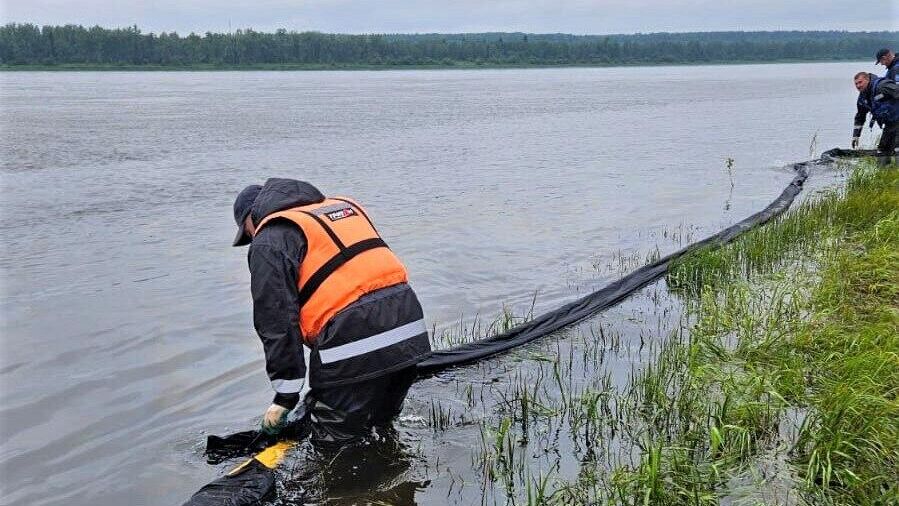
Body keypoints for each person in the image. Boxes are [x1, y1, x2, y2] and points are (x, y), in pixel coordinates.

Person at [232, 178, 432, 448]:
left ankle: (356, 488)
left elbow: (276, 321)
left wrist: (285, 398)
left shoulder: (269, 239)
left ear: (251, 218)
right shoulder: (343, 208)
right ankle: (396, 478)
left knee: (334, 446)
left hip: (351, 343)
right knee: (381, 426)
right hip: (409, 333)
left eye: (247, 233)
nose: (251, 239)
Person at [852, 72, 899, 155]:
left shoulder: (882, 85)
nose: (858, 86)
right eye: (856, 84)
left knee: (897, 148)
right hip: (890, 124)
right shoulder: (862, 98)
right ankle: (886, 167)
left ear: (867, 80)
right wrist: (856, 135)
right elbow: (860, 116)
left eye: (860, 82)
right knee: (882, 151)